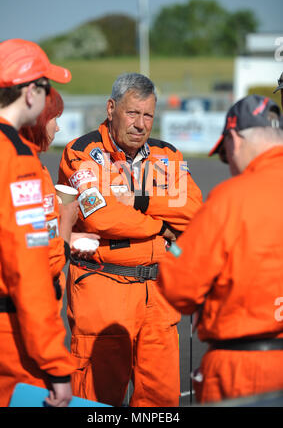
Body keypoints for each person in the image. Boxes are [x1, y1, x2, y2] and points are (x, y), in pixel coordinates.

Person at [58, 72, 202, 407]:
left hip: (159, 297)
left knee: (161, 401)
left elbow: (195, 213)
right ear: (111, 109)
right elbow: (101, 216)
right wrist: (163, 226)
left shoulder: (167, 155)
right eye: (132, 113)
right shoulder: (82, 152)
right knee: (96, 402)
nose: (140, 124)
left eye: (148, 115)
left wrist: (142, 202)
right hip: (102, 290)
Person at [157, 94, 283, 404]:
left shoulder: (230, 199)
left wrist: (175, 248)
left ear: (234, 140)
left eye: (225, 155)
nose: (229, 165)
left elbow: (177, 285)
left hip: (244, 368)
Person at [0, 38, 75, 407]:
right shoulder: (16, 159)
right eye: (47, 86)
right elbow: (28, 266)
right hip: (13, 336)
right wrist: (56, 367)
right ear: (30, 92)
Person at [20, 87, 100, 305]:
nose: (57, 127)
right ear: (38, 121)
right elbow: (47, 260)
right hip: (31, 301)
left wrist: (71, 239)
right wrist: (66, 222)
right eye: (54, 119)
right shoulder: (24, 171)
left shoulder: (37, 167)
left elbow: (33, 234)